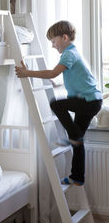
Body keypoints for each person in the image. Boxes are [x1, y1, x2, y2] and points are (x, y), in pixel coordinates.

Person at [15, 20, 102, 186]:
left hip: (88, 101)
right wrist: (58, 84)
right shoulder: (71, 54)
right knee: (77, 141)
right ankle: (77, 176)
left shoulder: (70, 53)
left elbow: (53, 73)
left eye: (54, 41)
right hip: (90, 101)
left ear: (64, 37)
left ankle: (74, 138)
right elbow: (75, 78)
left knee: (56, 104)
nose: (53, 46)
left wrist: (27, 73)